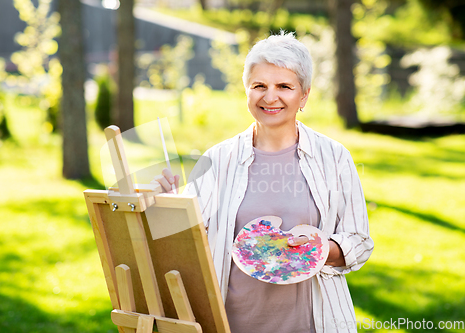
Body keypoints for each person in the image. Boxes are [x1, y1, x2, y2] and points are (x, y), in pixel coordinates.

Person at [154, 32, 374, 333]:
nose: (270, 97)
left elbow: (359, 239)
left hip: (313, 322)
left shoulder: (333, 157)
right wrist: (168, 206)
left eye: (284, 86)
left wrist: (324, 248)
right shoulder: (218, 159)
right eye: (260, 86)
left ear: (304, 95)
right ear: (247, 91)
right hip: (233, 322)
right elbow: (190, 241)